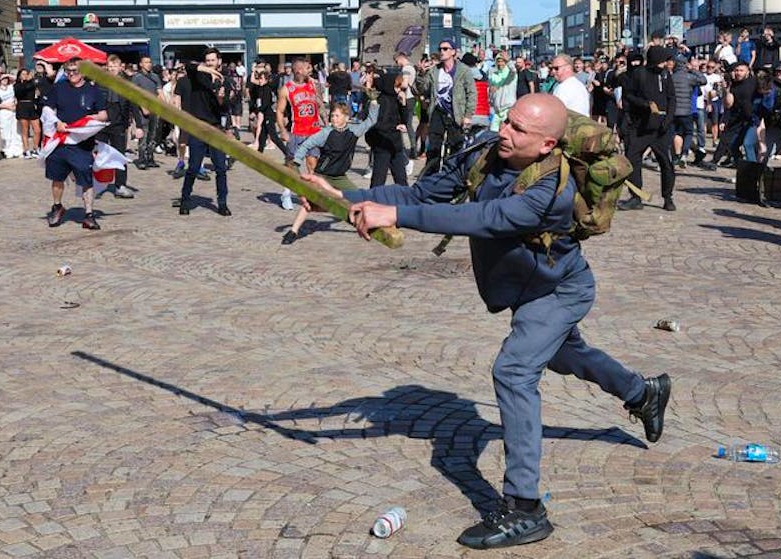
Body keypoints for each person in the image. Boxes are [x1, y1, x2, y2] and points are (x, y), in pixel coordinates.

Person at [301, 93, 671, 550]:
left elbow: (484, 216)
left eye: (518, 130)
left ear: (547, 145)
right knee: (566, 354)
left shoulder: (552, 191)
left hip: (558, 291)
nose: (504, 132)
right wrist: (347, 197)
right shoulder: (484, 151)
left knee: (514, 370)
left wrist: (394, 216)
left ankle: (525, 509)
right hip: (524, 287)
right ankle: (643, 392)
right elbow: (421, 193)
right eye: (506, 121)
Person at [281, 99, 379, 244]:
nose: (333, 118)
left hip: (340, 177)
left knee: (360, 198)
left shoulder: (354, 131)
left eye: (337, 116)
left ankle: (371, 226)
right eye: (332, 115)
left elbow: (370, 121)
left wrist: (374, 103)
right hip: (322, 175)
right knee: (309, 202)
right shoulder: (325, 133)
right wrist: (297, 161)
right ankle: (293, 231)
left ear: (346, 118)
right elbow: (307, 144)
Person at [43, 58, 108, 230]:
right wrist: (56, 122)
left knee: (86, 180)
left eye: (75, 71)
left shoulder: (93, 90)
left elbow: (103, 115)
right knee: (57, 178)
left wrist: (91, 118)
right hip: (61, 141)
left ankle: (88, 215)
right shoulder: (58, 88)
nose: (71, 74)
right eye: (68, 71)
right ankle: (57, 207)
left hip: (82, 143)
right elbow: (47, 109)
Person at [620, 46, 677, 211]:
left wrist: (668, 119)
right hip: (641, 127)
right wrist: (645, 105)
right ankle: (635, 196)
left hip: (661, 128)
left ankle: (668, 197)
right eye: (662, 60)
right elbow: (629, 95)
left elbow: (671, 98)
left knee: (666, 162)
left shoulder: (666, 75)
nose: (665, 63)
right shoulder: (639, 74)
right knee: (632, 159)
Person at [179, 47, 231, 217]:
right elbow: (187, 65)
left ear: (219, 61)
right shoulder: (198, 76)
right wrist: (207, 70)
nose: (210, 63)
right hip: (198, 127)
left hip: (215, 128)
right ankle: (185, 200)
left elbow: (224, 109)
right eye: (207, 60)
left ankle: (222, 203)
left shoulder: (224, 81)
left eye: (213, 60)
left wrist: (221, 97)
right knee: (193, 167)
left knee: (221, 168)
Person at [416, 39, 476, 174]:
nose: (441, 51)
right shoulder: (434, 71)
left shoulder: (463, 70)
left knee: (456, 145)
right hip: (438, 111)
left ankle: (453, 175)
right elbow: (422, 89)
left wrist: (468, 116)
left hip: (456, 112)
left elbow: (471, 93)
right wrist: (421, 74)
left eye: (445, 49)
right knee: (434, 147)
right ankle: (430, 175)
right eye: (440, 49)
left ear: (453, 52)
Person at [277, 57, 323, 210]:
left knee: (312, 165)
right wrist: (283, 130)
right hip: (296, 131)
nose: (308, 71)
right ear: (298, 70)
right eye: (305, 68)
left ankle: (312, 195)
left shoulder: (312, 84)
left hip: (314, 131)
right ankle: (286, 193)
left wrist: (326, 123)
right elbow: (280, 111)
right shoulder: (287, 89)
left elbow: (320, 104)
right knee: (292, 164)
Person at [98, 55, 136, 199]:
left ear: (121, 67)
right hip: (103, 122)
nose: (113, 68)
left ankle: (120, 185)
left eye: (115, 65)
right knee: (99, 154)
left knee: (120, 155)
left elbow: (133, 103)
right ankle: (96, 184)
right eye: (110, 66)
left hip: (119, 122)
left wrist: (136, 125)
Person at [365, 71, 409, 187]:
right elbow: (376, 123)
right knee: (378, 180)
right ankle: (373, 202)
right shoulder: (380, 101)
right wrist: (394, 127)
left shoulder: (396, 99)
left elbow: (405, 120)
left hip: (396, 144)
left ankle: (406, 201)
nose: (399, 89)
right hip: (382, 145)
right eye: (397, 86)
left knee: (401, 179)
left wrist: (403, 104)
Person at [709, 61, 755, 168]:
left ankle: (749, 165)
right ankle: (716, 161)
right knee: (727, 140)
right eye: (737, 71)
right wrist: (725, 119)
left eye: (741, 71)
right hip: (736, 117)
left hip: (751, 118)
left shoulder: (753, 82)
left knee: (746, 143)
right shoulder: (733, 85)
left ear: (747, 71)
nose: (738, 73)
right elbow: (729, 105)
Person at [671, 56, 706, 167]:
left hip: (673, 111)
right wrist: (694, 70)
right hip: (687, 110)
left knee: (676, 133)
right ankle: (685, 153)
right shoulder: (689, 77)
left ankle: (676, 155)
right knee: (689, 133)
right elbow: (703, 80)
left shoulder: (671, 77)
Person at [131, 55, 161, 170]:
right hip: (142, 111)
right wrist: (143, 107)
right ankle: (142, 159)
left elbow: (159, 92)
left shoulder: (155, 77)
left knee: (153, 135)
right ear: (141, 64)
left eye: (150, 62)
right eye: (146, 62)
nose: (149, 64)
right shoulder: (136, 78)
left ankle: (150, 157)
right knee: (144, 135)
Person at [395, 52, 419, 159]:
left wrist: (397, 89)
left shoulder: (405, 69)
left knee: (406, 123)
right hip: (412, 98)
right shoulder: (412, 68)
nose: (397, 64)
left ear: (401, 58)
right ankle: (413, 148)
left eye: (397, 61)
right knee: (408, 124)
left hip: (406, 98)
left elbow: (405, 84)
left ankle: (409, 149)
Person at [14, 69, 40, 159]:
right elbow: (21, 92)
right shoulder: (17, 85)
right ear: (19, 76)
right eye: (23, 74)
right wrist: (27, 81)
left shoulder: (32, 83)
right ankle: (26, 150)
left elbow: (35, 90)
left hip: (32, 106)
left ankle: (35, 149)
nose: (25, 75)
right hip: (22, 106)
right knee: (25, 130)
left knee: (37, 129)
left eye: (26, 74)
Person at [488, 52, 517, 133]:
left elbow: (513, 70)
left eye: (502, 61)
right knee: (492, 135)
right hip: (497, 111)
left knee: (506, 134)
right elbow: (491, 91)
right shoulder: (494, 75)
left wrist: (508, 60)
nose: (500, 63)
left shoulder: (511, 74)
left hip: (508, 109)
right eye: (498, 61)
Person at [0, 73, 23, 159]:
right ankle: (7, 150)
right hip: (4, 112)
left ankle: (18, 150)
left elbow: (16, 78)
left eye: (6, 79)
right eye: (3, 79)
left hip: (14, 112)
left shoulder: (11, 87)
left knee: (16, 130)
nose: (5, 80)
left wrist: (6, 75)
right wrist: (7, 106)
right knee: (5, 132)